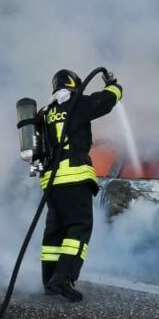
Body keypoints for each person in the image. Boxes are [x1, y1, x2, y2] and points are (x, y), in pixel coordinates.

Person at [39, 68, 122, 301]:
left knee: (55, 232)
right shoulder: (75, 103)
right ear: (74, 85)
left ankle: (49, 281)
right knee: (79, 227)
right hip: (73, 177)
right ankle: (63, 279)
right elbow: (106, 101)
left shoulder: (46, 112)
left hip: (51, 182)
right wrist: (114, 85)